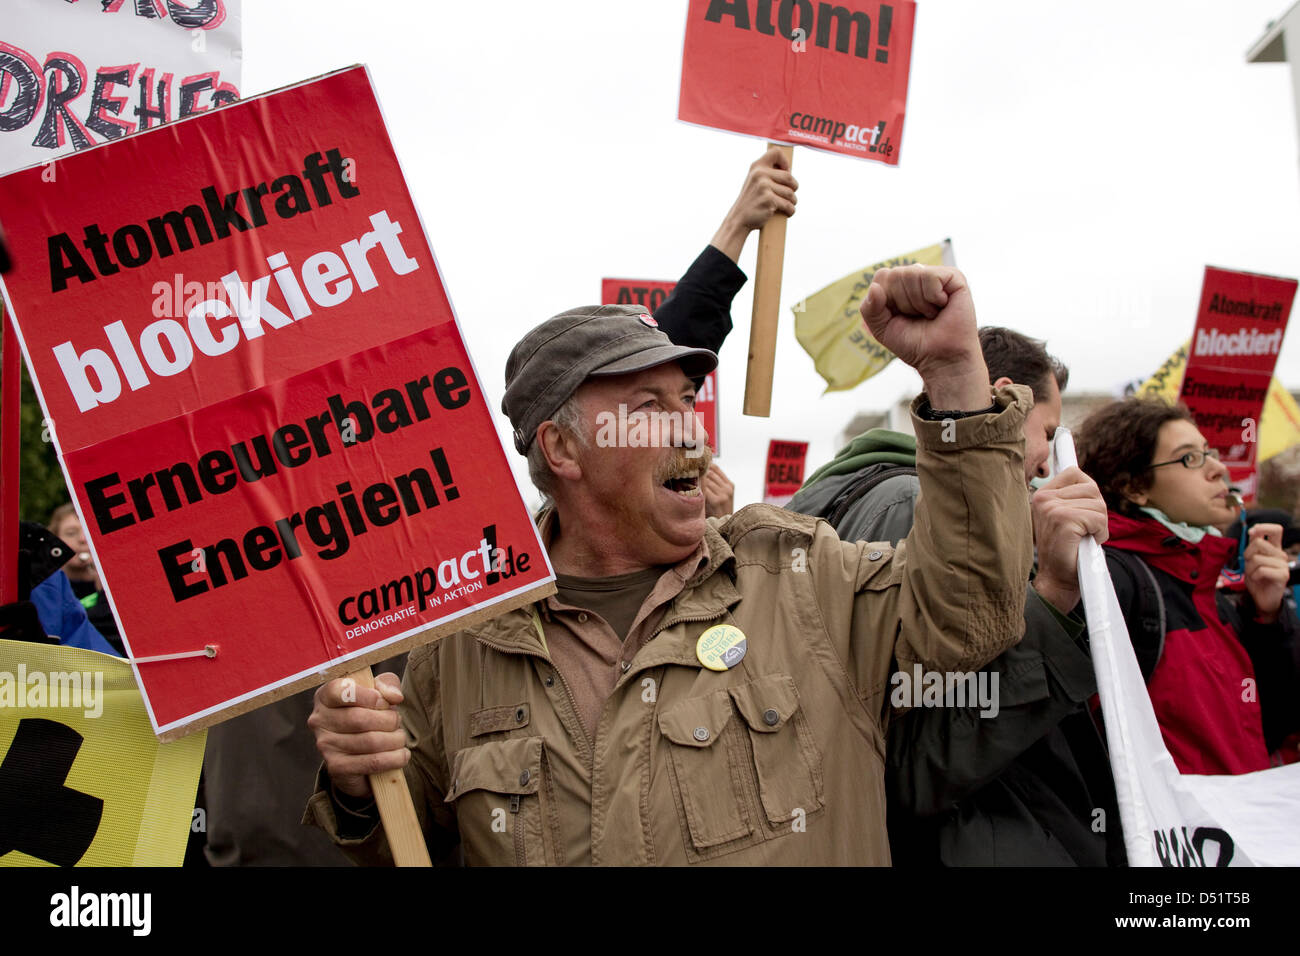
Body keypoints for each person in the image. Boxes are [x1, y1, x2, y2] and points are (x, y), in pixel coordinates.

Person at [304, 265, 1035, 865]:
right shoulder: (462, 638)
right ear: (561, 450)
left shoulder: (799, 575)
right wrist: (358, 787)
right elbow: (412, 842)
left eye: (688, 400)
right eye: (650, 407)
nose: (691, 431)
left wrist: (954, 374)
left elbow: (972, 613)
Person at [786, 327, 1123, 866]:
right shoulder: (915, 507)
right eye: (1050, 434)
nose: (1047, 465)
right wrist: (1054, 596)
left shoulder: (897, 497)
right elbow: (918, 758)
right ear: (1009, 399)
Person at [1075, 398, 1300, 776]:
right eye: (1189, 459)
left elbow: (1271, 728)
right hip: (1173, 833)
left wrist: (1267, 617)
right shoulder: (1114, 581)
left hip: (1242, 826)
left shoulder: (1210, 585)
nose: (1217, 469)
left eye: (1208, 453)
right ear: (1134, 487)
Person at [48, 503, 122, 654]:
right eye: (71, 533)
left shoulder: (119, 586)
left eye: (89, 531)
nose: (83, 539)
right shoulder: (48, 591)